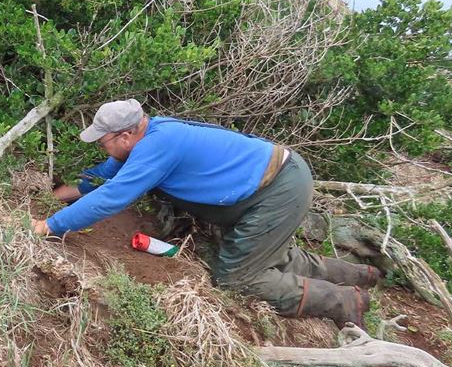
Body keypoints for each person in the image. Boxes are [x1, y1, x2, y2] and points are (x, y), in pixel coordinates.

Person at [31, 98, 381, 329]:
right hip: (281, 178)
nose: (100, 145)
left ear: (125, 135)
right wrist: (67, 193)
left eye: (102, 140)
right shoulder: (150, 136)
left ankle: (343, 301)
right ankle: (361, 273)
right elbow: (109, 175)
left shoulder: (158, 147)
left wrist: (49, 226)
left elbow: (112, 197)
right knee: (273, 257)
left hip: (277, 189)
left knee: (237, 278)